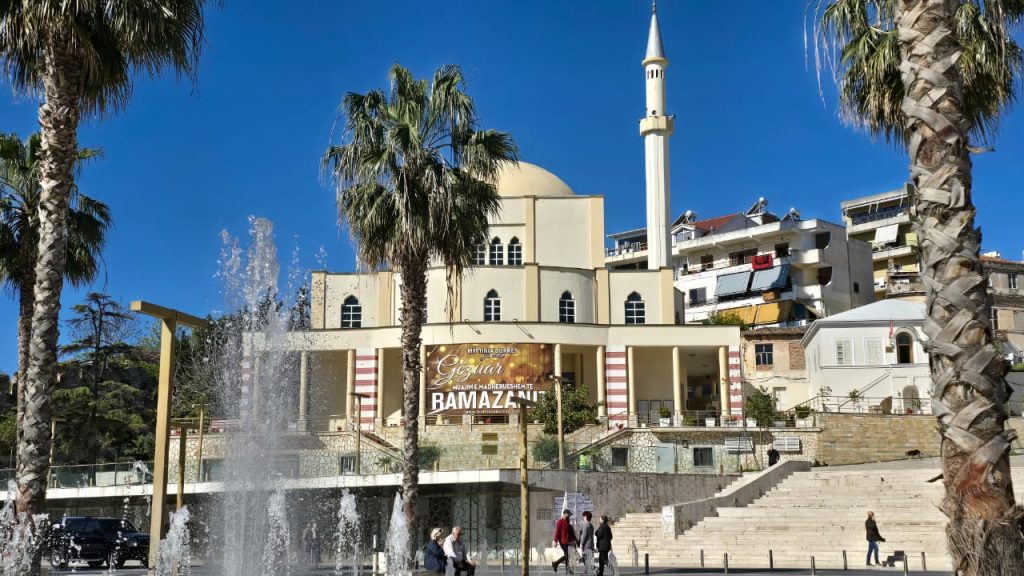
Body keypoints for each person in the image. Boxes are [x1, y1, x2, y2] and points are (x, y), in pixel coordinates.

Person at [552, 509, 577, 573]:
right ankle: (556, 564)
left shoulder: (567, 521)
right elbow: (557, 532)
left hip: (567, 541)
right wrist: (555, 541)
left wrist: (574, 539)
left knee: (567, 556)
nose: (569, 516)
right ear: (565, 514)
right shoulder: (560, 522)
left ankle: (558, 565)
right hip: (563, 541)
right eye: (569, 515)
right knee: (567, 556)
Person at [579, 511, 595, 575]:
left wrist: (581, 543)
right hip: (590, 545)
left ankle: (591, 571)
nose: (583, 517)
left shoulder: (586, 525)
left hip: (586, 545)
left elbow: (584, 535)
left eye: (583, 516)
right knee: (587, 560)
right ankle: (585, 573)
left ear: (586, 516)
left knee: (586, 560)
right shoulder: (591, 525)